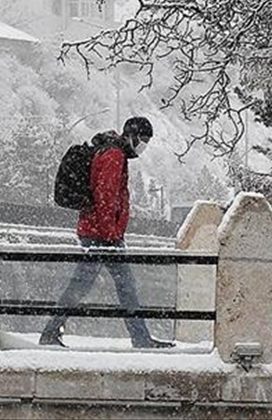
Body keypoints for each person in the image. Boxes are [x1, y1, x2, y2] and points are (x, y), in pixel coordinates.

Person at [39, 116, 173, 349]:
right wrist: (110, 234)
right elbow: (106, 197)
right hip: (102, 235)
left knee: (91, 286)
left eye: (146, 141)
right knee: (112, 287)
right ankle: (140, 338)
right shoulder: (114, 155)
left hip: (100, 232)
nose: (143, 145)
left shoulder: (112, 152)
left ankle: (53, 331)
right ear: (130, 135)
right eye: (142, 139)